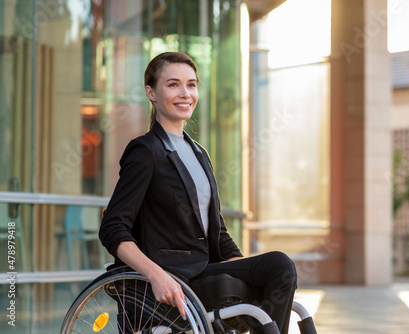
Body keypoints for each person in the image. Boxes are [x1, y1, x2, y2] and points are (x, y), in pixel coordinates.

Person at [99, 52, 297, 333]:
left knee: (274, 270)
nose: (185, 93)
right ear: (151, 93)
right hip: (175, 277)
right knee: (280, 265)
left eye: (191, 85)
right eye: (173, 84)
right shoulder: (146, 151)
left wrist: (245, 270)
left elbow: (218, 234)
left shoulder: (199, 153)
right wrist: (156, 275)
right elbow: (112, 228)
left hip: (204, 270)